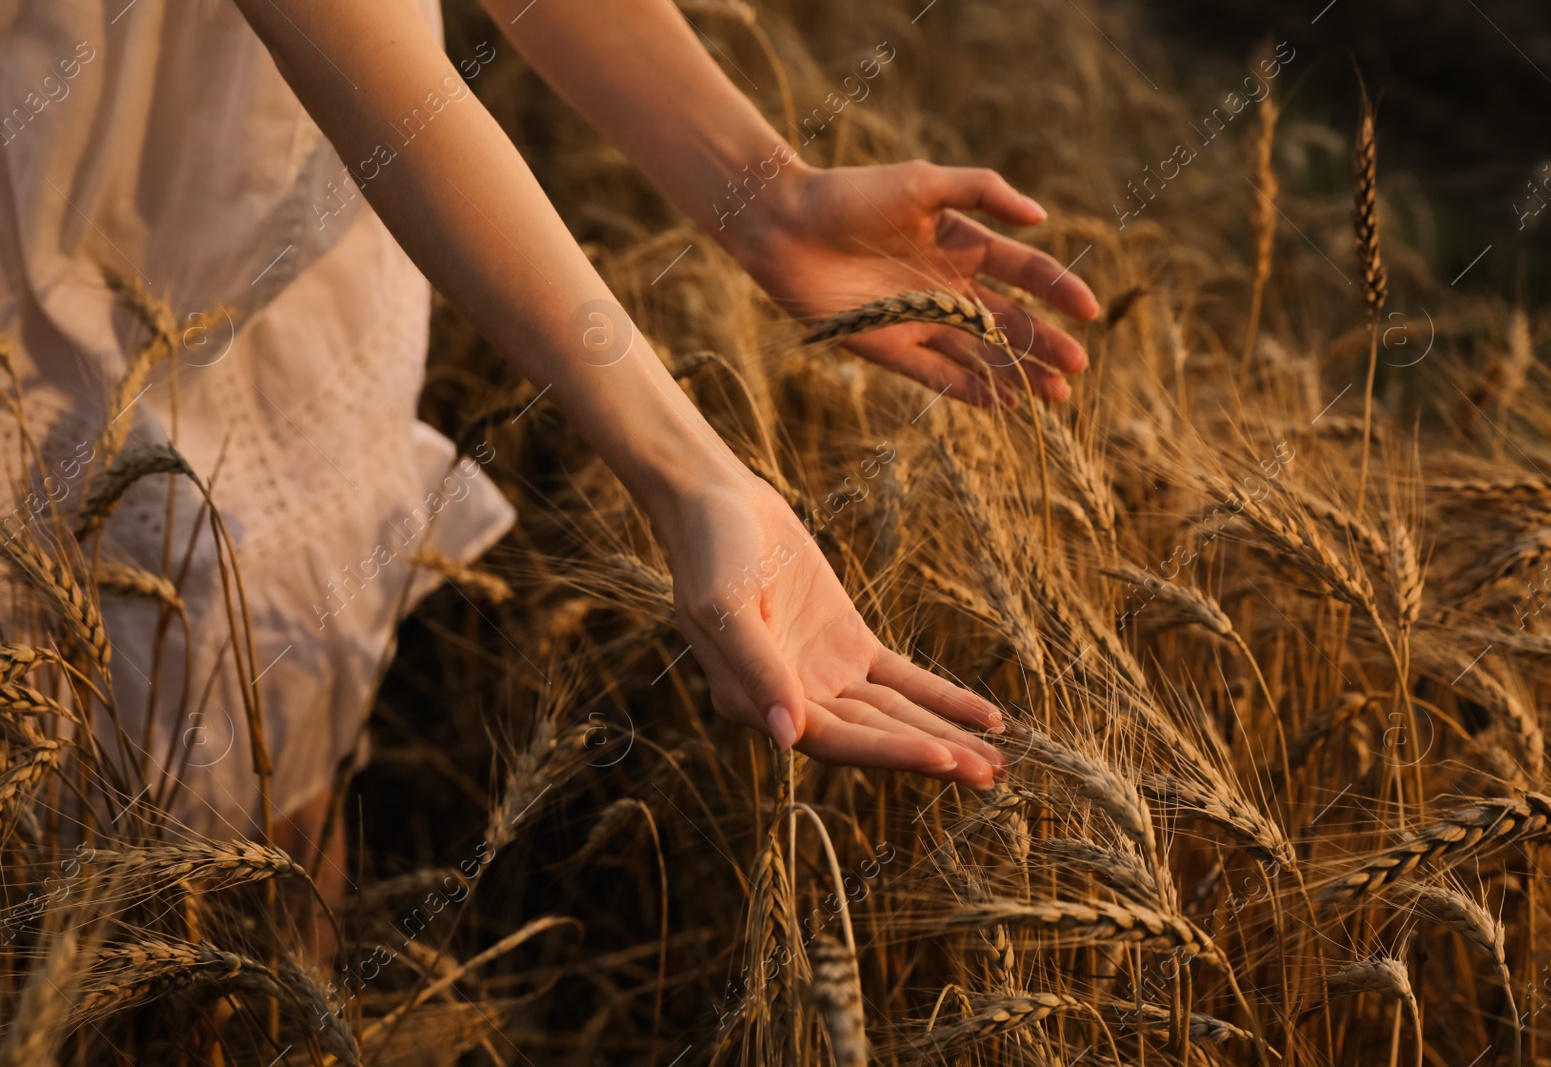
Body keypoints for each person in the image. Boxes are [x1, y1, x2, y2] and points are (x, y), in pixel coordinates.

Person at [0, 0, 1097, 870]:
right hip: (77, 166)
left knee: (263, 754)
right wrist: (686, 470)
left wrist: (767, 198)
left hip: (257, 196)